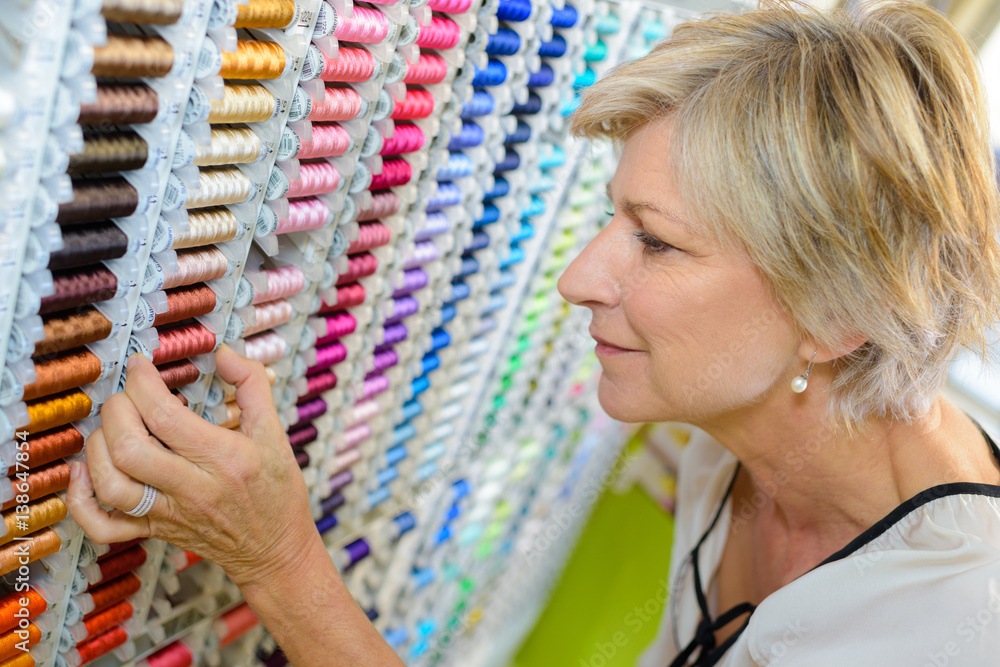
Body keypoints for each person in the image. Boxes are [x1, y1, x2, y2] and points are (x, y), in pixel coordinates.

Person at [67, 1, 1000, 665]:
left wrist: (281, 562)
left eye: (658, 242)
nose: (578, 279)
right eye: (613, 219)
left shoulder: (948, 630)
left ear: (837, 313)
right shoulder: (737, 455)